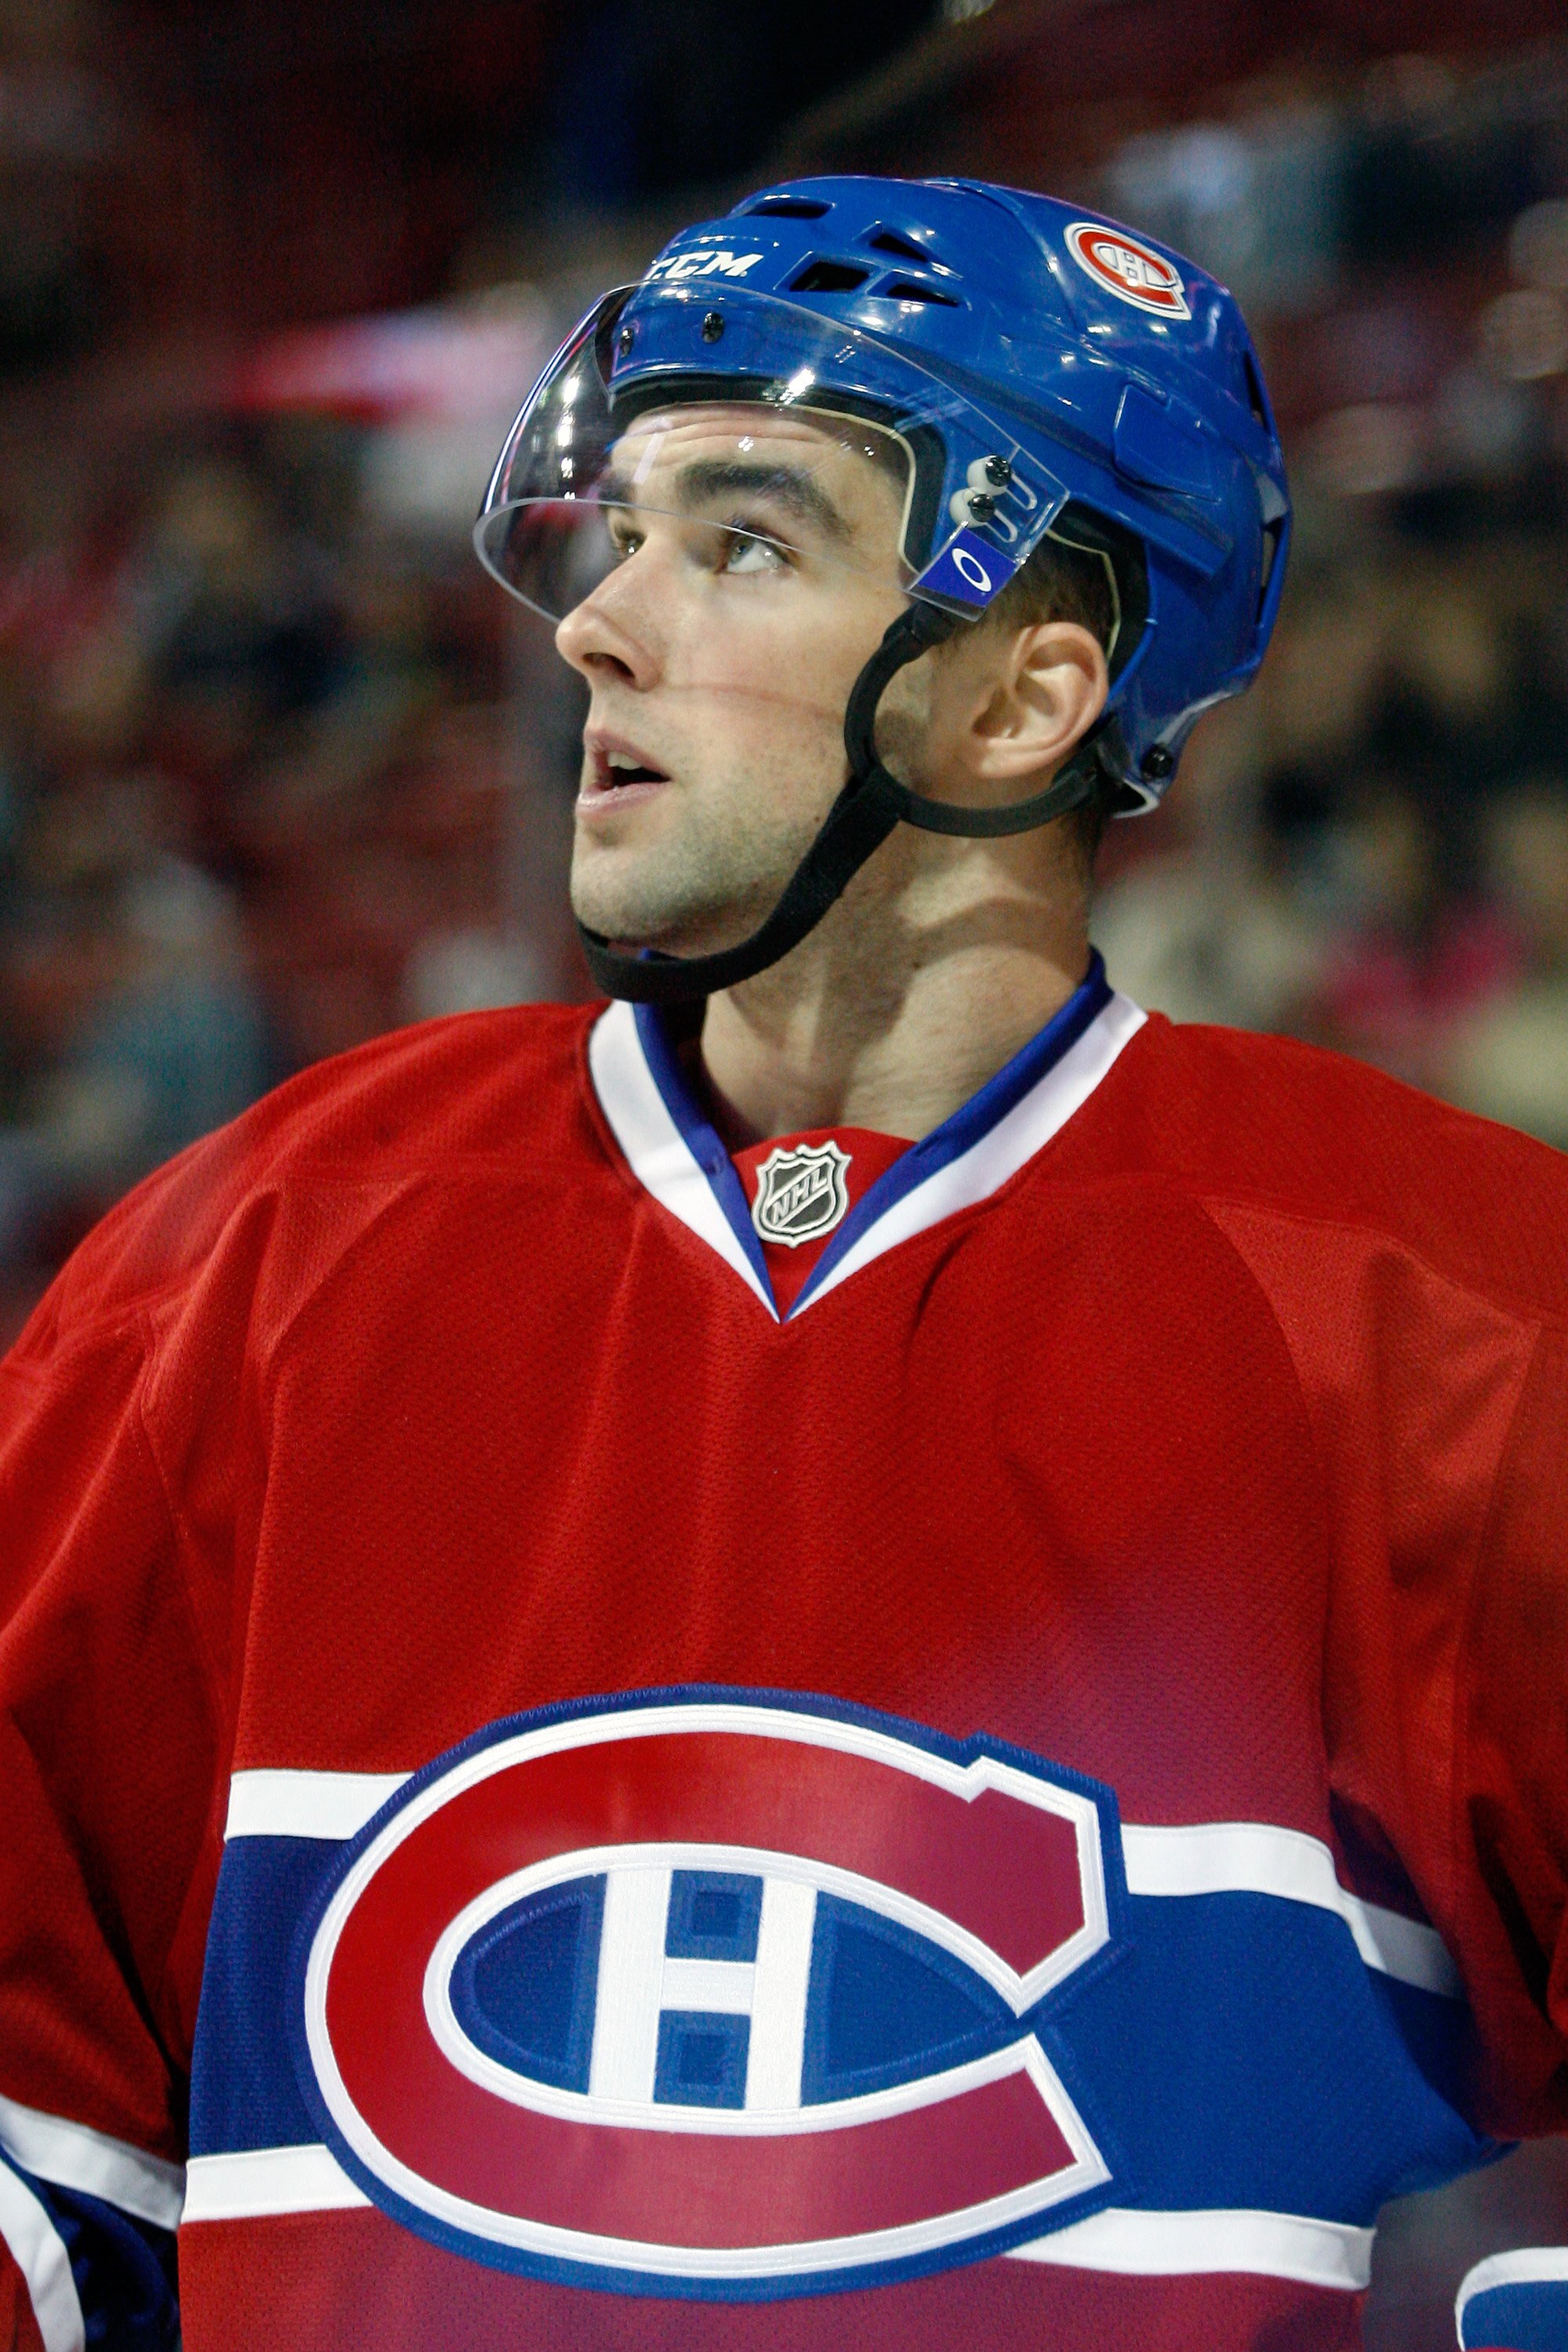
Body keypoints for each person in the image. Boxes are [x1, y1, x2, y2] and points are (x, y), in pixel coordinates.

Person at [0, 176, 1563, 2352]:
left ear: (1023, 702)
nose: (600, 621)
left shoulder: (1456, 1320)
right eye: (621, 528)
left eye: (741, 538)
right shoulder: (257, 1266)